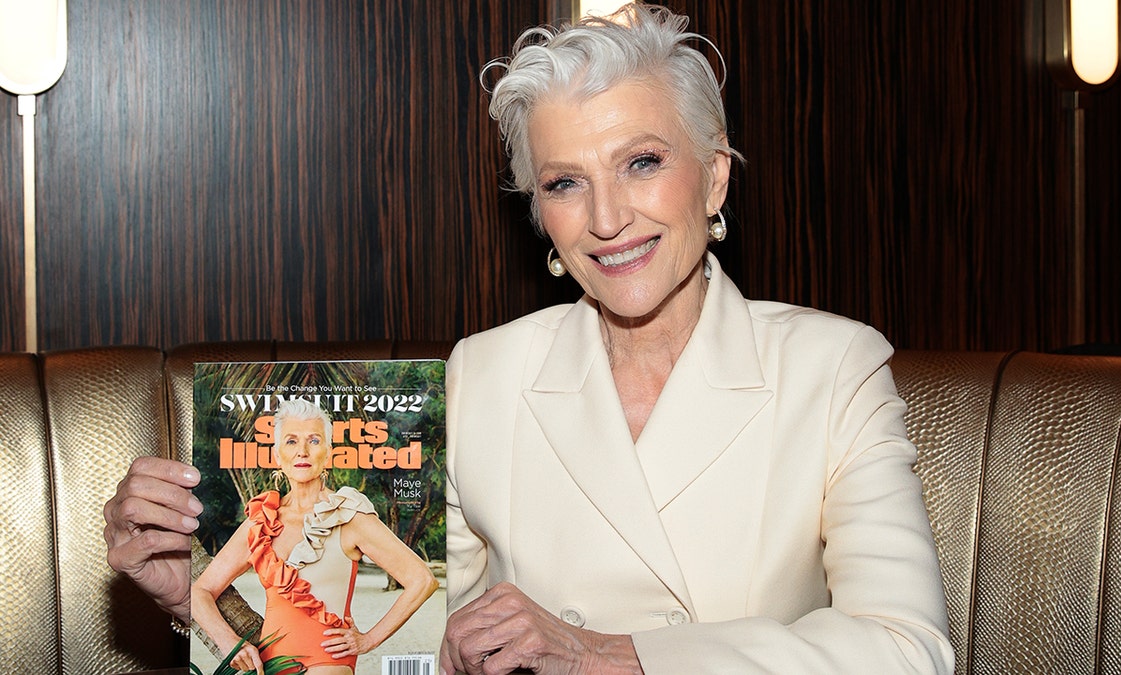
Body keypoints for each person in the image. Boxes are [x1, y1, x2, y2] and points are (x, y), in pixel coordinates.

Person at [105, 5, 954, 673]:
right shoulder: (487, 372)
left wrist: (616, 655)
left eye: (644, 162)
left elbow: (908, 649)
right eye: (565, 182)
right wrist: (202, 596)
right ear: (539, 213)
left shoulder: (834, 368)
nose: (609, 217)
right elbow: (416, 647)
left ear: (716, 175)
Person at [191, 399, 437, 674]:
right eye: (292, 441)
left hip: (328, 662)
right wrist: (230, 643)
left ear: (329, 452)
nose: (303, 452)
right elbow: (200, 592)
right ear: (277, 454)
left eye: (314, 440)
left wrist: (369, 639)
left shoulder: (349, 515)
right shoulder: (260, 522)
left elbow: (422, 580)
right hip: (271, 666)